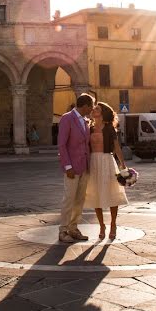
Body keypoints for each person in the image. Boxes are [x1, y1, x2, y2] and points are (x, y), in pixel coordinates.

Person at [84, 102, 128, 240]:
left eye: (97, 108)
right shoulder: (89, 128)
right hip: (93, 162)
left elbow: (116, 147)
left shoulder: (109, 128)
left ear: (102, 113)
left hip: (107, 161)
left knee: (111, 192)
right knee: (96, 194)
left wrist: (123, 165)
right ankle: (102, 225)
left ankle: (113, 224)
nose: (93, 110)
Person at [57, 93, 94, 244]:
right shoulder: (67, 118)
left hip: (84, 167)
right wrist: (68, 166)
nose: (92, 109)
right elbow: (61, 144)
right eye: (91, 106)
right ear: (85, 106)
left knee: (79, 200)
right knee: (69, 199)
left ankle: (74, 228)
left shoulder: (85, 121)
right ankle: (63, 230)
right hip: (72, 168)